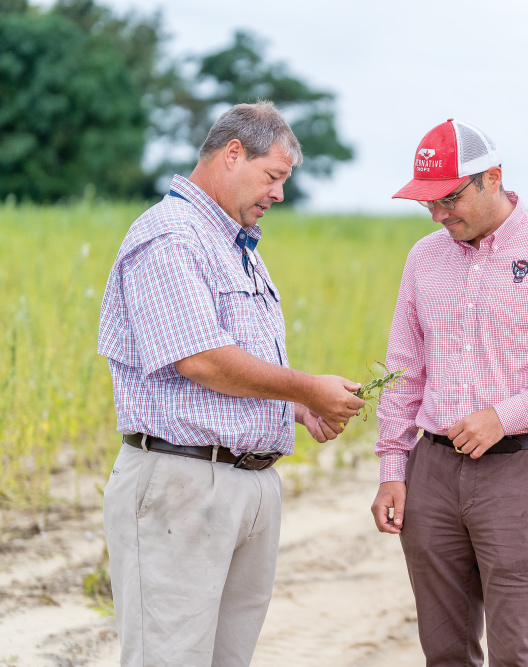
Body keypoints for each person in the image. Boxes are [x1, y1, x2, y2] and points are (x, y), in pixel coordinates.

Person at [97, 101, 366, 666]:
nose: (279, 194)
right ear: (232, 154)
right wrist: (304, 388)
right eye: (274, 176)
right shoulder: (170, 237)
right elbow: (200, 359)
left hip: (242, 487)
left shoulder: (233, 242)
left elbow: (220, 368)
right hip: (183, 484)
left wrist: (293, 409)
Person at [370, 119, 528, 666]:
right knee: (444, 652)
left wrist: (506, 415)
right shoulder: (424, 259)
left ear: (493, 178)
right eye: (427, 203)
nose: (438, 214)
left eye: (449, 198)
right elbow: (406, 371)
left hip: (519, 474)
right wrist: (392, 468)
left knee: (517, 653)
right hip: (429, 473)